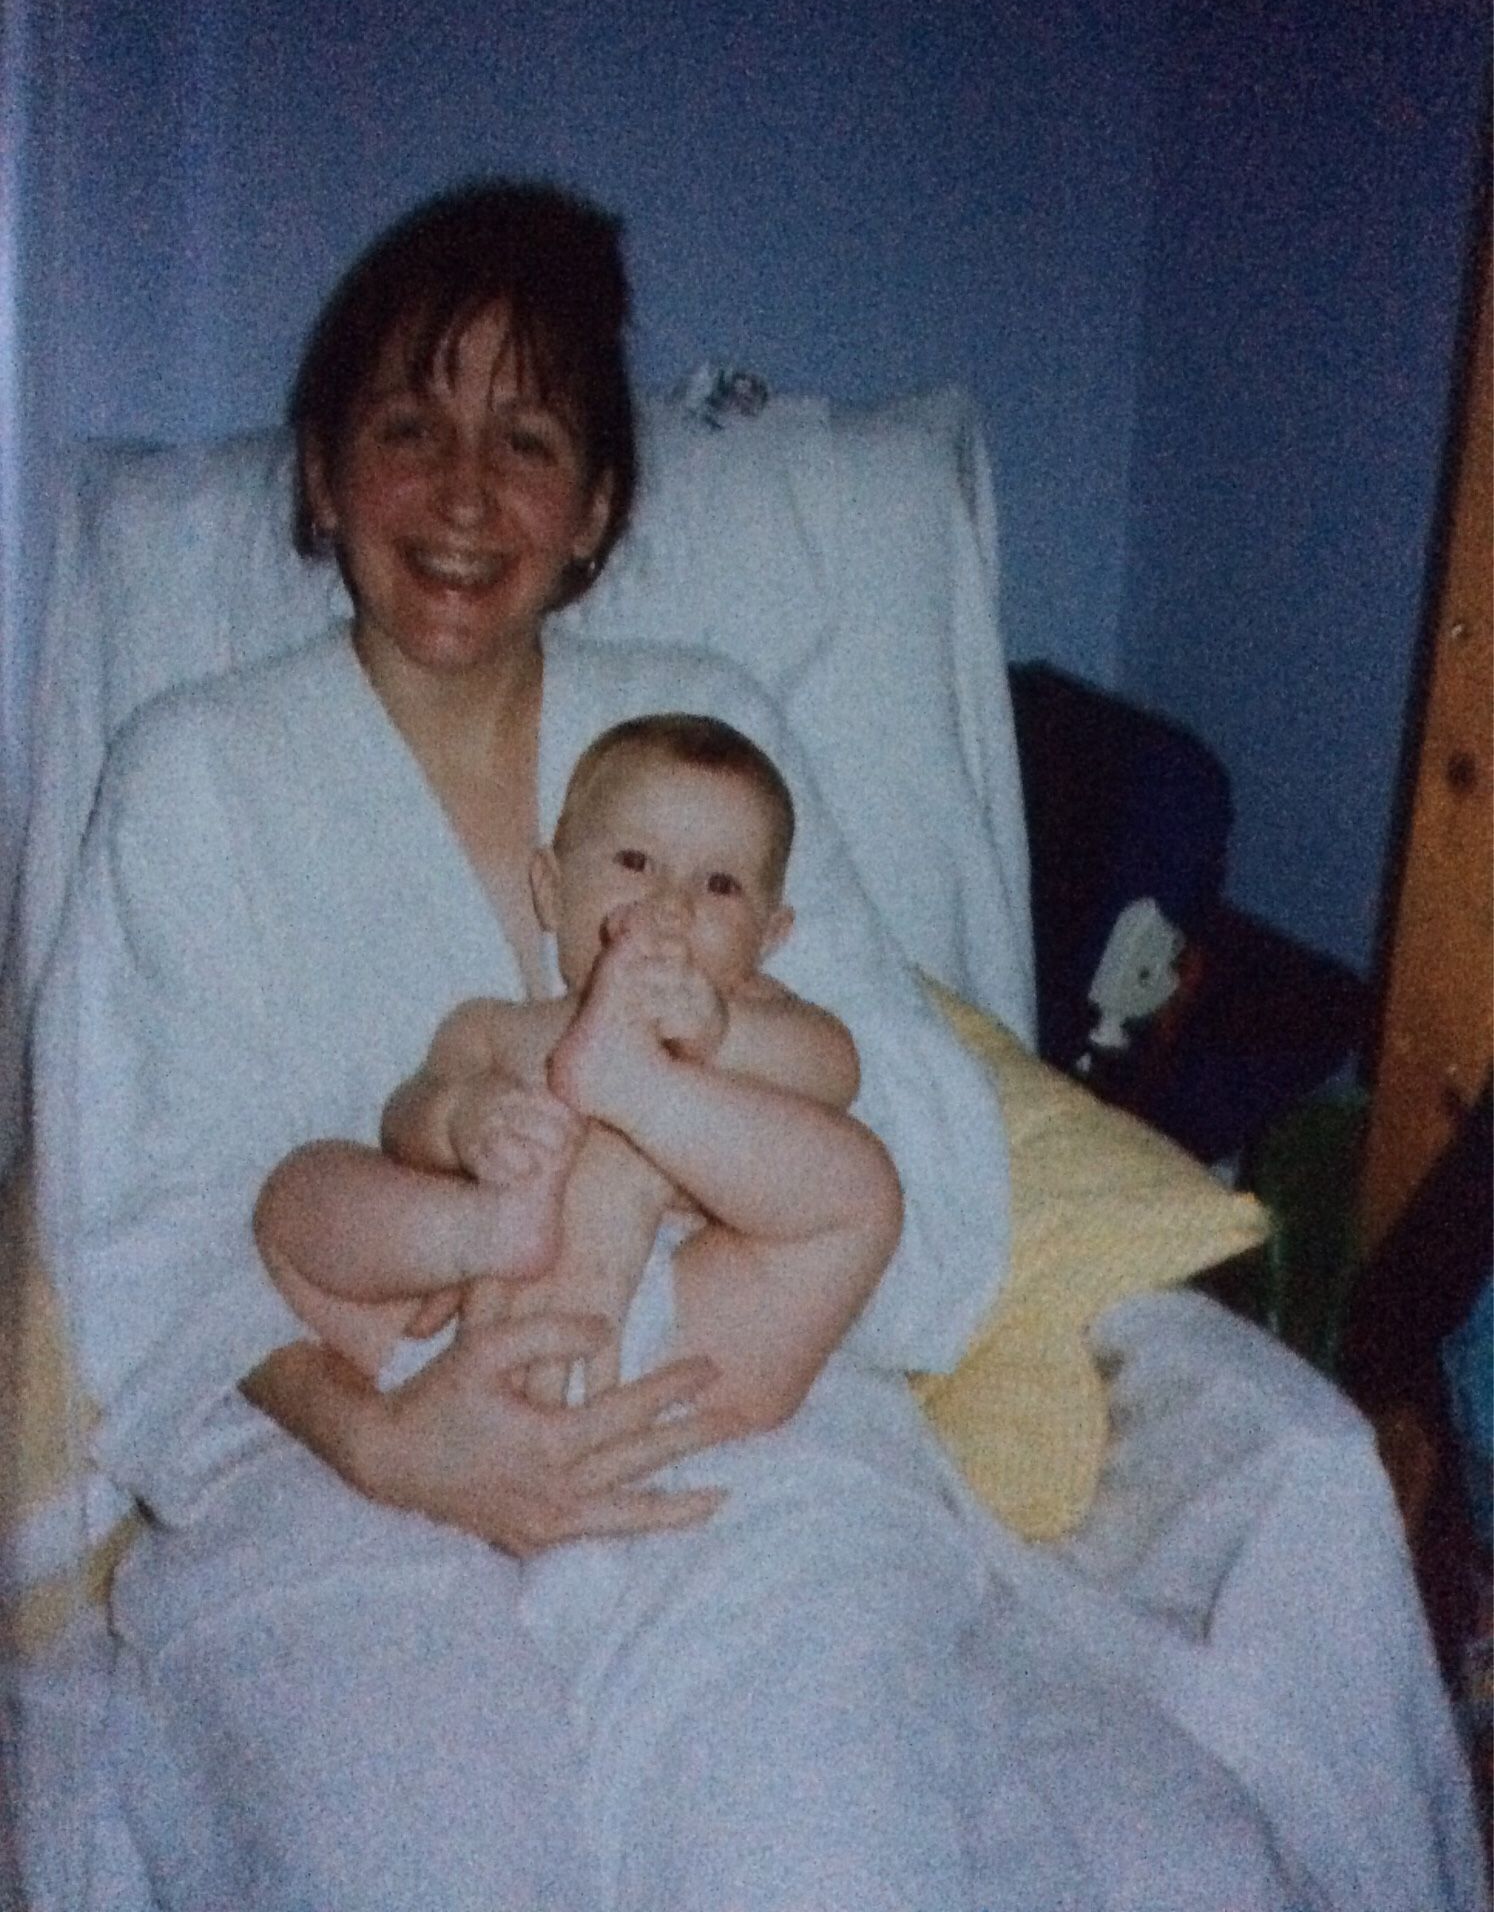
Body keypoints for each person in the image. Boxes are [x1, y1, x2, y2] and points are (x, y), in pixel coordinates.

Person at [32, 179, 1302, 1912]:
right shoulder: (193, 775)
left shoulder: (706, 733)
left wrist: (664, 1188)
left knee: (825, 1854)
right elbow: (150, 1213)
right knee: (425, 1866)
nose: (466, 493)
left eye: (528, 439)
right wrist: (396, 1444)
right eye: (408, 427)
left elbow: (895, 1120)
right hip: (343, 1458)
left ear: (599, 503)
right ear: (323, 478)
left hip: (728, 1418)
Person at [255, 712, 902, 1434]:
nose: (671, 904)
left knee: (864, 1190)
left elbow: (837, 1073)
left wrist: (720, 1034)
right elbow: (406, 1117)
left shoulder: (750, 1020)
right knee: (295, 1193)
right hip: (475, 1303)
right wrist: (461, 1120)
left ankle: (636, 1089)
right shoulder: (499, 1027)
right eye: (634, 862)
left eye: (719, 885)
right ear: (551, 887)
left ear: (769, 936)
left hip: (688, 1319)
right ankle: (485, 1226)